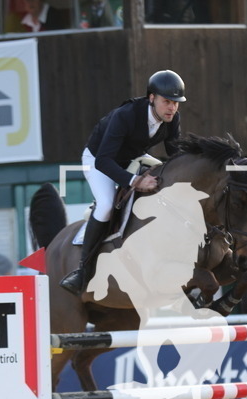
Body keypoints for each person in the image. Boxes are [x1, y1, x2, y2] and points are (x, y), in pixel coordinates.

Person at [59, 70, 186, 294]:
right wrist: (136, 182)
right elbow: (104, 161)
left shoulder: (171, 118)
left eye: (176, 103)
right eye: (167, 101)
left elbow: (174, 153)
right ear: (151, 98)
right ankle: (83, 271)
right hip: (99, 159)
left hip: (131, 157)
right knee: (107, 204)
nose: (172, 108)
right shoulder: (125, 115)